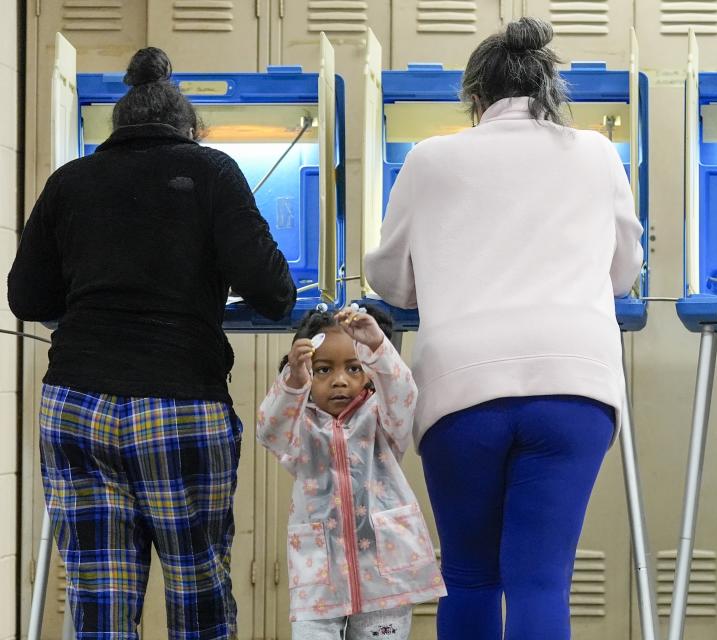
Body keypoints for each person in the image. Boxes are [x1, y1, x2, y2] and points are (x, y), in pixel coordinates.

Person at [363, 16, 644, 640]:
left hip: (462, 387)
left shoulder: (429, 158)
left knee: (469, 575)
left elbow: (389, 279)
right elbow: (624, 271)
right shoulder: (596, 152)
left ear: (474, 97)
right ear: (551, 89)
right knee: (541, 581)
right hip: (575, 384)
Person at [7, 47, 296, 639]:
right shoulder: (211, 170)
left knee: (99, 597)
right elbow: (274, 292)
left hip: (75, 404)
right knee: (197, 594)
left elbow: (26, 299)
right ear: (189, 127)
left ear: (118, 126)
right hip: (179, 401)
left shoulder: (70, 180)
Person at [257, 306, 445, 640]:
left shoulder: (383, 420)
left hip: (385, 576)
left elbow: (404, 395)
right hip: (318, 577)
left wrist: (377, 348)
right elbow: (269, 432)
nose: (340, 379)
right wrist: (293, 384)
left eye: (354, 367)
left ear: (369, 373)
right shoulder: (300, 425)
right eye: (323, 369)